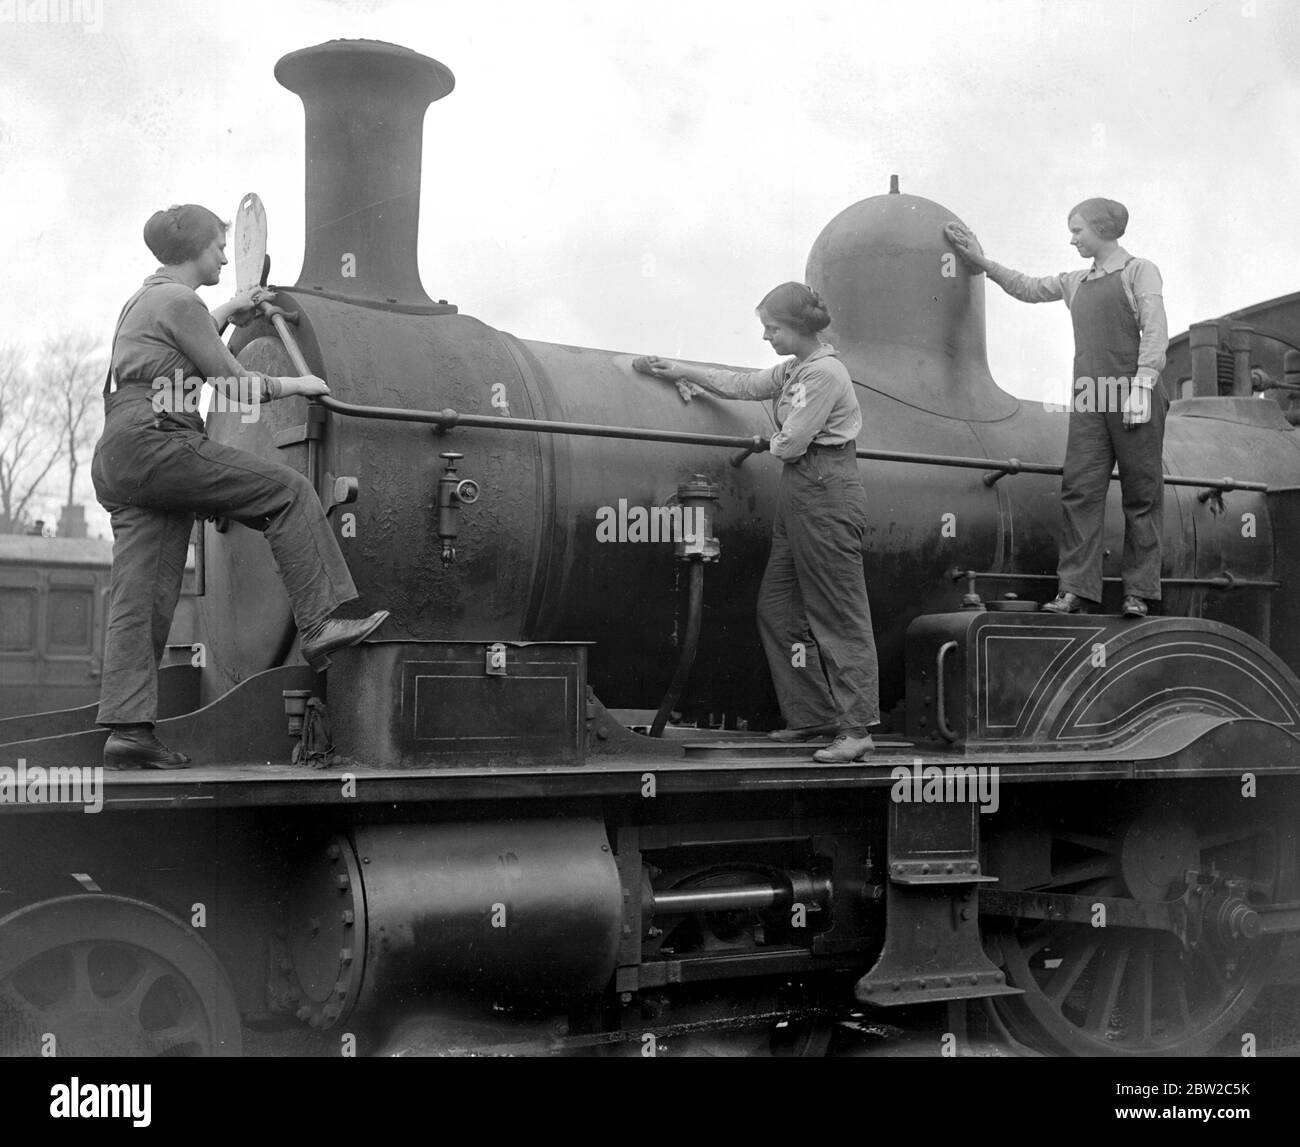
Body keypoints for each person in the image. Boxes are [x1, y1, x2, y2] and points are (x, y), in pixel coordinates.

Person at [93, 203, 389, 770]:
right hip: (162, 443)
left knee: (142, 595)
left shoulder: (147, 299)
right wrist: (299, 382)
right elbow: (234, 385)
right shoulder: (181, 303)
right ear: (196, 250)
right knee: (290, 492)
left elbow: (183, 356)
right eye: (219, 247)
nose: (226, 256)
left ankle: (128, 730)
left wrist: (230, 309)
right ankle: (323, 622)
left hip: (122, 455)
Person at [632, 282, 879, 762]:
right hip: (800, 493)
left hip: (827, 492)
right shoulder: (794, 370)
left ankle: (857, 728)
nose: (766, 336)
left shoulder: (825, 374)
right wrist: (680, 369)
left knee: (837, 614)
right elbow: (744, 385)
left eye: (773, 327)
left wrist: (769, 440)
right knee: (779, 610)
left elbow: (790, 443)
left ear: (798, 327)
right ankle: (814, 715)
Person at [944, 199, 1169, 619]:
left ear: (1102, 229)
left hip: (1133, 389)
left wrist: (1142, 386)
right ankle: (1075, 590)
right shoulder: (1075, 281)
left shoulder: (1140, 271)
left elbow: (1155, 329)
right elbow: (1027, 288)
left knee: (1142, 495)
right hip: (1090, 395)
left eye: (1078, 230)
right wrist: (982, 262)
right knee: (1080, 491)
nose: (1072, 238)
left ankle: (1139, 592)